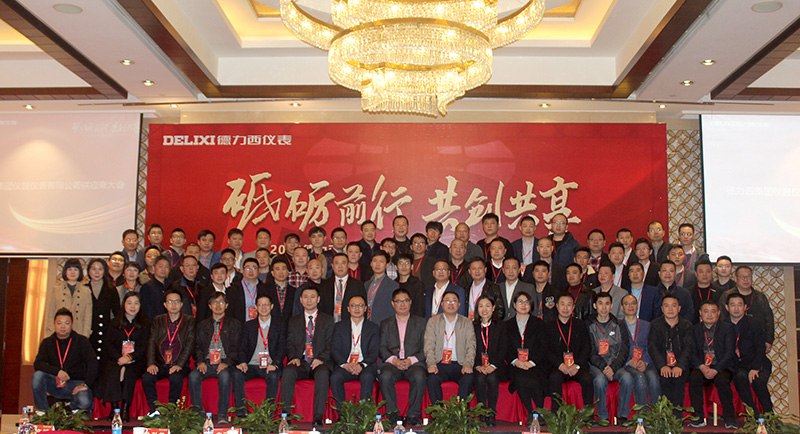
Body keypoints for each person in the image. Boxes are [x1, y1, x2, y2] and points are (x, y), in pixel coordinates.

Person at [281, 286, 335, 427]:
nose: (309, 300)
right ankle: (285, 415)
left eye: (312, 297)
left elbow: (331, 344)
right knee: (288, 371)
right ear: (300, 300)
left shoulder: (328, 320)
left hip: (320, 362)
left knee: (323, 373)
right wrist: (293, 357)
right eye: (305, 297)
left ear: (318, 299)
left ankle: (318, 416)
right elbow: (290, 343)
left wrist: (320, 358)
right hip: (301, 362)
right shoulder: (294, 321)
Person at [188, 291, 242, 424]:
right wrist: (200, 362)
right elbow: (197, 346)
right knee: (193, 376)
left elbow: (236, 348)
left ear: (226, 305)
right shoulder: (202, 325)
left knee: (224, 376)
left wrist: (227, 363)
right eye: (215, 302)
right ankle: (198, 414)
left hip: (224, 362)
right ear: (210, 306)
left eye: (221, 302)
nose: (218, 305)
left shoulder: (234, 324)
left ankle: (222, 414)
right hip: (206, 362)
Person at [142, 289, 196, 415]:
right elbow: (151, 342)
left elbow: (189, 345)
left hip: (179, 364)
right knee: (147, 377)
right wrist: (151, 363)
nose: (173, 305)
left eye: (176, 302)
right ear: (165, 304)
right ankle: (154, 410)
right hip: (160, 363)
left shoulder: (189, 321)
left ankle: (172, 410)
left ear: (181, 304)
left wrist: (179, 364)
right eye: (170, 302)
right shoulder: (158, 320)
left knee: (176, 378)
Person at [97, 292, 150, 422]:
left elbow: (144, 346)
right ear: (124, 305)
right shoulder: (114, 323)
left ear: (140, 305)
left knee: (129, 373)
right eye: (129, 303)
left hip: (136, 360)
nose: (132, 306)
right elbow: (108, 344)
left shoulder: (145, 323)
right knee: (112, 371)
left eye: (136, 303)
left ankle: (125, 408)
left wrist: (130, 357)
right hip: (117, 359)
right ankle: (114, 408)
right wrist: (119, 358)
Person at [378, 288, 428, 426]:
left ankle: (413, 415)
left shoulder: (421, 323)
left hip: (414, 363)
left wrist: (410, 360)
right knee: (385, 376)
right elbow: (382, 348)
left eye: (405, 301)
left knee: (419, 375)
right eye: (398, 301)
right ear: (393, 304)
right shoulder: (385, 324)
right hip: (392, 364)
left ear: (410, 302)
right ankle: (392, 414)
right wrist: (394, 361)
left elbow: (426, 348)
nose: (402, 304)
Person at [32, 308, 97, 411]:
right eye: (59, 323)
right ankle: (43, 411)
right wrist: (57, 372)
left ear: (71, 325)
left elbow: (93, 363)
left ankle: (67, 408)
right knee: (37, 376)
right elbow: (38, 364)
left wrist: (86, 384)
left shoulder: (82, 341)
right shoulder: (47, 342)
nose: (63, 326)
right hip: (55, 383)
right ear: (54, 324)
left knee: (84, 401)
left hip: (76, 384)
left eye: (66, 323)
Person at [687, 300, 737, 429]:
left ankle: (730, 418)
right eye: (706, 311)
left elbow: (729, 353)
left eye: (713, 311)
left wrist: (716, 369)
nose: (709, 315)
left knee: (722, 380)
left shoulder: (728, 328)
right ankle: (698, 417)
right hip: (701, 366)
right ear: (700, 313)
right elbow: (691, 352)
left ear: (719, 313)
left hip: (722, 367)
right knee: (694, 377)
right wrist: (702, 367)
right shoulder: (694, 329)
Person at [235, 292, 286, 409]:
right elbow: (242, 347)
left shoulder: (279, 325)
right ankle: (241, 411)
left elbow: (282, 347)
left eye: (266, 305)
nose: (263, 308)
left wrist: (275, 364)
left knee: (273, 376)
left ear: (271, 306)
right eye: (260, 305)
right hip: (251, 365)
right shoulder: (248, 326)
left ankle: (268, 412)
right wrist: (243, 362)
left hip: (270, 365)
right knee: (237, 374)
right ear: (256, 307)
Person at [424, 291, 476, 404]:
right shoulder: (433, 322)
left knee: (468, 379)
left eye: (454, 301)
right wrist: (431, 364)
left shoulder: (466, 322)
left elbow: (471, 346)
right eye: (447, 301)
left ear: (459, 304)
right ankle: (438, 412)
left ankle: (461, 412)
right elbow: (429, 345)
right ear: (442, 304)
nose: (451, 304)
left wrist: (468, 364)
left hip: (460, 363)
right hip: (439, 363)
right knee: (432, 379)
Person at [544, 293, 593, 413]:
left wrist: (576, 365)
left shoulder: (580, 325)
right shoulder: (548, 326)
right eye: (562, 304)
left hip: (576, 366)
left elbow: (586, 347)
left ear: (573, 307)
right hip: (558, 366)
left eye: (569, 305)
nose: (565, 308)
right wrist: (560, 365)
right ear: (557, 306)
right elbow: (546, 350)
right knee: (554, 378)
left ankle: (588, 415)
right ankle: (556, 415)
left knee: (587, 378)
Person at [504, 291, 547, 427]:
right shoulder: (507, 325)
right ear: (514, 305)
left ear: (531, 305)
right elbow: (505, 348)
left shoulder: (539, 324)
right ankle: (531, 412)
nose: (523, 305)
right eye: (520, 302)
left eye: (527, 302)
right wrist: (516, 361)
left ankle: (539, 411)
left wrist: (531, 362)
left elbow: (543, 346)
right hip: (515, 364)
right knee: (520, 378)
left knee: (535, 378)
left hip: (535, 363)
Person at [725, 293, 773, 416]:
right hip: (737, 365)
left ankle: (769, 414)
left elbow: (760, 348)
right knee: (740, 378)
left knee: (757, 381)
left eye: (740, 305)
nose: (736, 308)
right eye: (733, 305)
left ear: (745, 307)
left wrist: (755, 368)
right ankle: (753, 416)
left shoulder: (754, 323)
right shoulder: (723, 326)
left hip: (758, 362)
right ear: (727, 307)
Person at [588, 292, 631, 424]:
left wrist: (612, 367)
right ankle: (603, 417)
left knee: (627, 378)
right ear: (595, 306)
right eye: (600, 303)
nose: (604, 307)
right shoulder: (589, 325)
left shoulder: (619, 324)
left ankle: (623, 416)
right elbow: (590, 351)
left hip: (615, 365)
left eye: (607, 304)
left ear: (612, 306)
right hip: (596, 365)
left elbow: (624, 349)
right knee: (600, 380)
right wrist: (604, 367)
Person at [330, 295, 380, 407]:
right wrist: (345, 364)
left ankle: (364, 413)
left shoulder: (373, 328)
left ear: (365, 308)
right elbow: (334, 349)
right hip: (346, 365)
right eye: (353, 306)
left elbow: (374, 351)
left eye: (360, 305)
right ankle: (342, 413)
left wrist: (361, 365)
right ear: (348, 309)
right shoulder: (339, 327)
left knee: (367, 377)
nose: (357, 309)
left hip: (365, 365)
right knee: (335, 377)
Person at [648, 294, 693, 416]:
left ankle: (676, 418)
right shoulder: (655, 324)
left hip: (680, 365)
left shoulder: (686, 325)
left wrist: (680, 366)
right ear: (662, 308)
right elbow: (652, 347)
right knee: (664, 379)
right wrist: (662, 365)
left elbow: (688, 348)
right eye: (667, 306)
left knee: (678, 380)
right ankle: (664, 417)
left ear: (679, 308)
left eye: (674, 306)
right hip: (662, 364)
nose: (670, 309)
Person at [620, 294, 660, 418]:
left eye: (633, 303)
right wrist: (628, 361)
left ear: (637, 306)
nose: (630, 306)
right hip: (627, 363)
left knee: (653, 378)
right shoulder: (618, 325)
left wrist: (645, 361)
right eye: (627, 304)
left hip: (645, 362)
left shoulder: (647, 325)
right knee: (640, 377)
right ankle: (643, 416)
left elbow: (652, 346)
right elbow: (616, 348)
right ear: (622, 308)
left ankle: (656, 415)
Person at [719, 266, 775, 353]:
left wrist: (769, 340)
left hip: (756, 340)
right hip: (732, 339)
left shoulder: (760, 297)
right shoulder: (727, 296)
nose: (746, 279)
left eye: (748, 276)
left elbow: (769, 319)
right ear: (736, 278)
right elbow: (722, 318)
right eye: (742, 277)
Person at [473, 295, 507, 427]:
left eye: (487, 306)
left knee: (492, 378)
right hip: (479, 365)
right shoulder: (473, 326)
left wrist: (493, 365)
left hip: (497, 365)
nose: (484, 309)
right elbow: (470, 348)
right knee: (480, 378)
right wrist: (477, 365)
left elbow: (503, 348)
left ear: (493, 308)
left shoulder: (501, 326)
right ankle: (482, 413)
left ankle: (491, 413)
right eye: (481, 306)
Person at [44, 258, 92, 338]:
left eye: (75, 269)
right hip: (59, 332)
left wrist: (85, 335)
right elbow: (51, 313)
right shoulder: (56, 289)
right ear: (65, 271)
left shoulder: (86, 291)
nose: (72, 272)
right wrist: (49, 332)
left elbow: (88, 315)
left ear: (80, 272)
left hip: (79, 331)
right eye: (69, 269)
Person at [86, 257, 121, 362]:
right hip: (88, 332)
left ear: (105, 271)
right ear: (88, 271)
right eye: (94, 269)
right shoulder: (84, 289)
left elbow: (117, 313)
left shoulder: (111, 289)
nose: (97, 272)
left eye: (100, 269)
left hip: (106, 332)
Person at [320, 253, 367, 323]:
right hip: (329, 325)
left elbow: (363, 307)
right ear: (332, 266)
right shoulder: (325, 285)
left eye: (343, 263)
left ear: (348, 265)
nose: (340, 266)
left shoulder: (357, 285)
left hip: (349, 324)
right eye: (337, 263)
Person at [227, 258, 269, 325]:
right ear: (242, 270)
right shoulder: (234, 289)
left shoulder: (265, 288)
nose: (251, 271)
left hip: (260, 326)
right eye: (248, 268)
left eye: (254, 268)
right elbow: (229, 312)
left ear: (258, 271)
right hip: (239, 326)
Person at [364, 251, 399, 325]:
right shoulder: (366, 284)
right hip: (367, 325)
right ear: (371, 264)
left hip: (383, 325)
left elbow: (394, 310)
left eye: (381, 261)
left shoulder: (393, 285)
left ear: (387, 265)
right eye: (375, 261)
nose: (377, 264)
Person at [265, 258, 298, 325]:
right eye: (277, 269)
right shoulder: (265, 290)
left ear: (288, 272)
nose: (281, 272)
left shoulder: (294, 291)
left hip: (289, 326)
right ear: (272, 273)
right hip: (270, 325)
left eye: (283, 269)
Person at [140, 255, 172, 320]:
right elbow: (145, 311)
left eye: (166, 267)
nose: (163, 269)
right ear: (153, 268)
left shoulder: (172, 286)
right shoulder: (147, 287)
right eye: (160, 266)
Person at [396, 253, 426, 318]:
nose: (404, 267)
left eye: (407, 263)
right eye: (401, 263)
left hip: (413, 320)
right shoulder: (393, 284)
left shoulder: (417, 284)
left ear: (412, 267)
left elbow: (420, 308)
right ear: (396, 267)